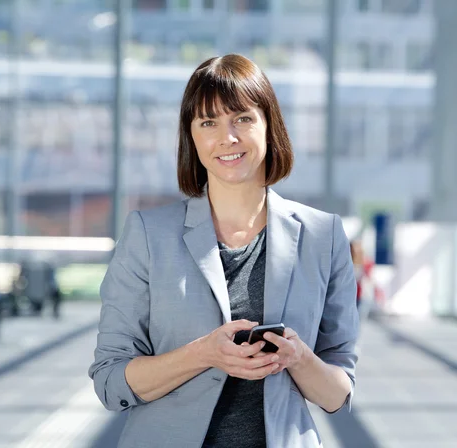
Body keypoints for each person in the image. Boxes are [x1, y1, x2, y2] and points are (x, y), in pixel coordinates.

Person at [89, 54, 359, 448]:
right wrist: (204, 354)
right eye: (208, 122)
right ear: (192, 136)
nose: (226, 137)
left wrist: (298, 357)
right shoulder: (149, 234)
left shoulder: (325, 235)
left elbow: (338, 393)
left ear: (270, 125)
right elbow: (110, 381)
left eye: (243, 119)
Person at [350, 239, 378, 323]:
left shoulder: (366, 263)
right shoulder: (349, 262)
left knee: (357, 320)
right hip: (354, 295)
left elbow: (370, 279)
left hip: (362, 295)